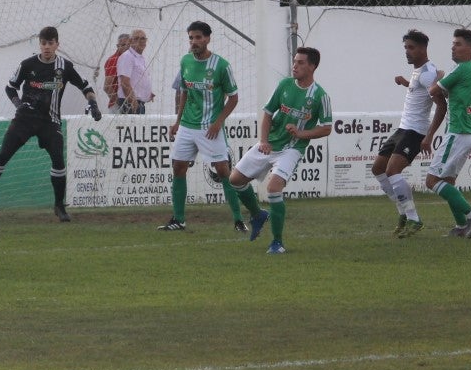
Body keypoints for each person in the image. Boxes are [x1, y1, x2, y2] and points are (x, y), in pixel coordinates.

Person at [0, 26, 101, 222]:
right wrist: (18, 104)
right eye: (43, 43)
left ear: (57, 45)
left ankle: (59, 206)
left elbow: (85, 86)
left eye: (51, 43)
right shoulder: (27, 64)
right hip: (24, 120)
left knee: (58, 161)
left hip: (50, 121)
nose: (47, 47)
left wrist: (92, 103)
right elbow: (10, 87)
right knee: (2, 157)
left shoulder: (65, 67)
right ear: (39, 44)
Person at [228, 47, 333, 254]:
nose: (295, 65)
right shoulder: (284, 85)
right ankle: (258, 214)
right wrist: (264, 141)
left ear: (312, 66)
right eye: (294, 61)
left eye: (301, 62)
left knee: (274, 188)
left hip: (292, 149)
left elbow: (327, 128)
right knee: (235, 179)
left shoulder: (320, 96)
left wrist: (301, 134)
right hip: (270, 143)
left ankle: (277, 242)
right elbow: (268, 113)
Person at [159, 21, 245, 232]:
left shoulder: (221, 65)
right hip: (187, 125)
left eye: (198, 37)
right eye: (191, 37)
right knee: (178, 167)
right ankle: (178, 219)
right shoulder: (185, 61)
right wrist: (177, 121)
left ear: (208, 38)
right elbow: (184, 93)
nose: (194, 41)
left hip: (209, 127)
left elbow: (233, 98)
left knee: (223, 171)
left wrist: (218, 122)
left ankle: (238, 219)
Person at [372, 30, 446, 238]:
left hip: (415, 131)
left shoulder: (428, 74)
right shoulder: (418, 72)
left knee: (392, 171)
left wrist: (429, 136)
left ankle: (414, 218)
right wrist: (405, 83)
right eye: (405, 47)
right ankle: (403, 212)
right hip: (403, 128)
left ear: (423, 49)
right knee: (378, 169)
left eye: (411, 47)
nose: (407, 51)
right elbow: (419, 91)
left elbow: (441, 106)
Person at [426, 28, 471, 237]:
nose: (453, 47)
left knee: (432, 181)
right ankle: (461, 226)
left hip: (458, 131)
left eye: (458, 44)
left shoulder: (461, 69)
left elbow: (433, 91)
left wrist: (437, 77)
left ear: (470, 48)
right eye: (453, 44)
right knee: (448, 181)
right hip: (467, 132)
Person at [115, 29, 154, 114]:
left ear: (146, 41)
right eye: (136, 38)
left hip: (139, 103)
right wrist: (134, 105)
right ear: (130, 41)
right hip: (130, 103)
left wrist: (147, 93)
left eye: (143, 38)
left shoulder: (141, 58)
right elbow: (125, 83)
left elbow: (138, 79)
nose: (140, 41)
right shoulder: (127, 57)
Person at [103, 32, 130, 111]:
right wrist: (121, 104)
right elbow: (107, 87)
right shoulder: (114, 60)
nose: (126, 47)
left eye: (128, 45)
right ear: (117, 46)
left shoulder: (130, 59)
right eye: (122, 45)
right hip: (118, 106)